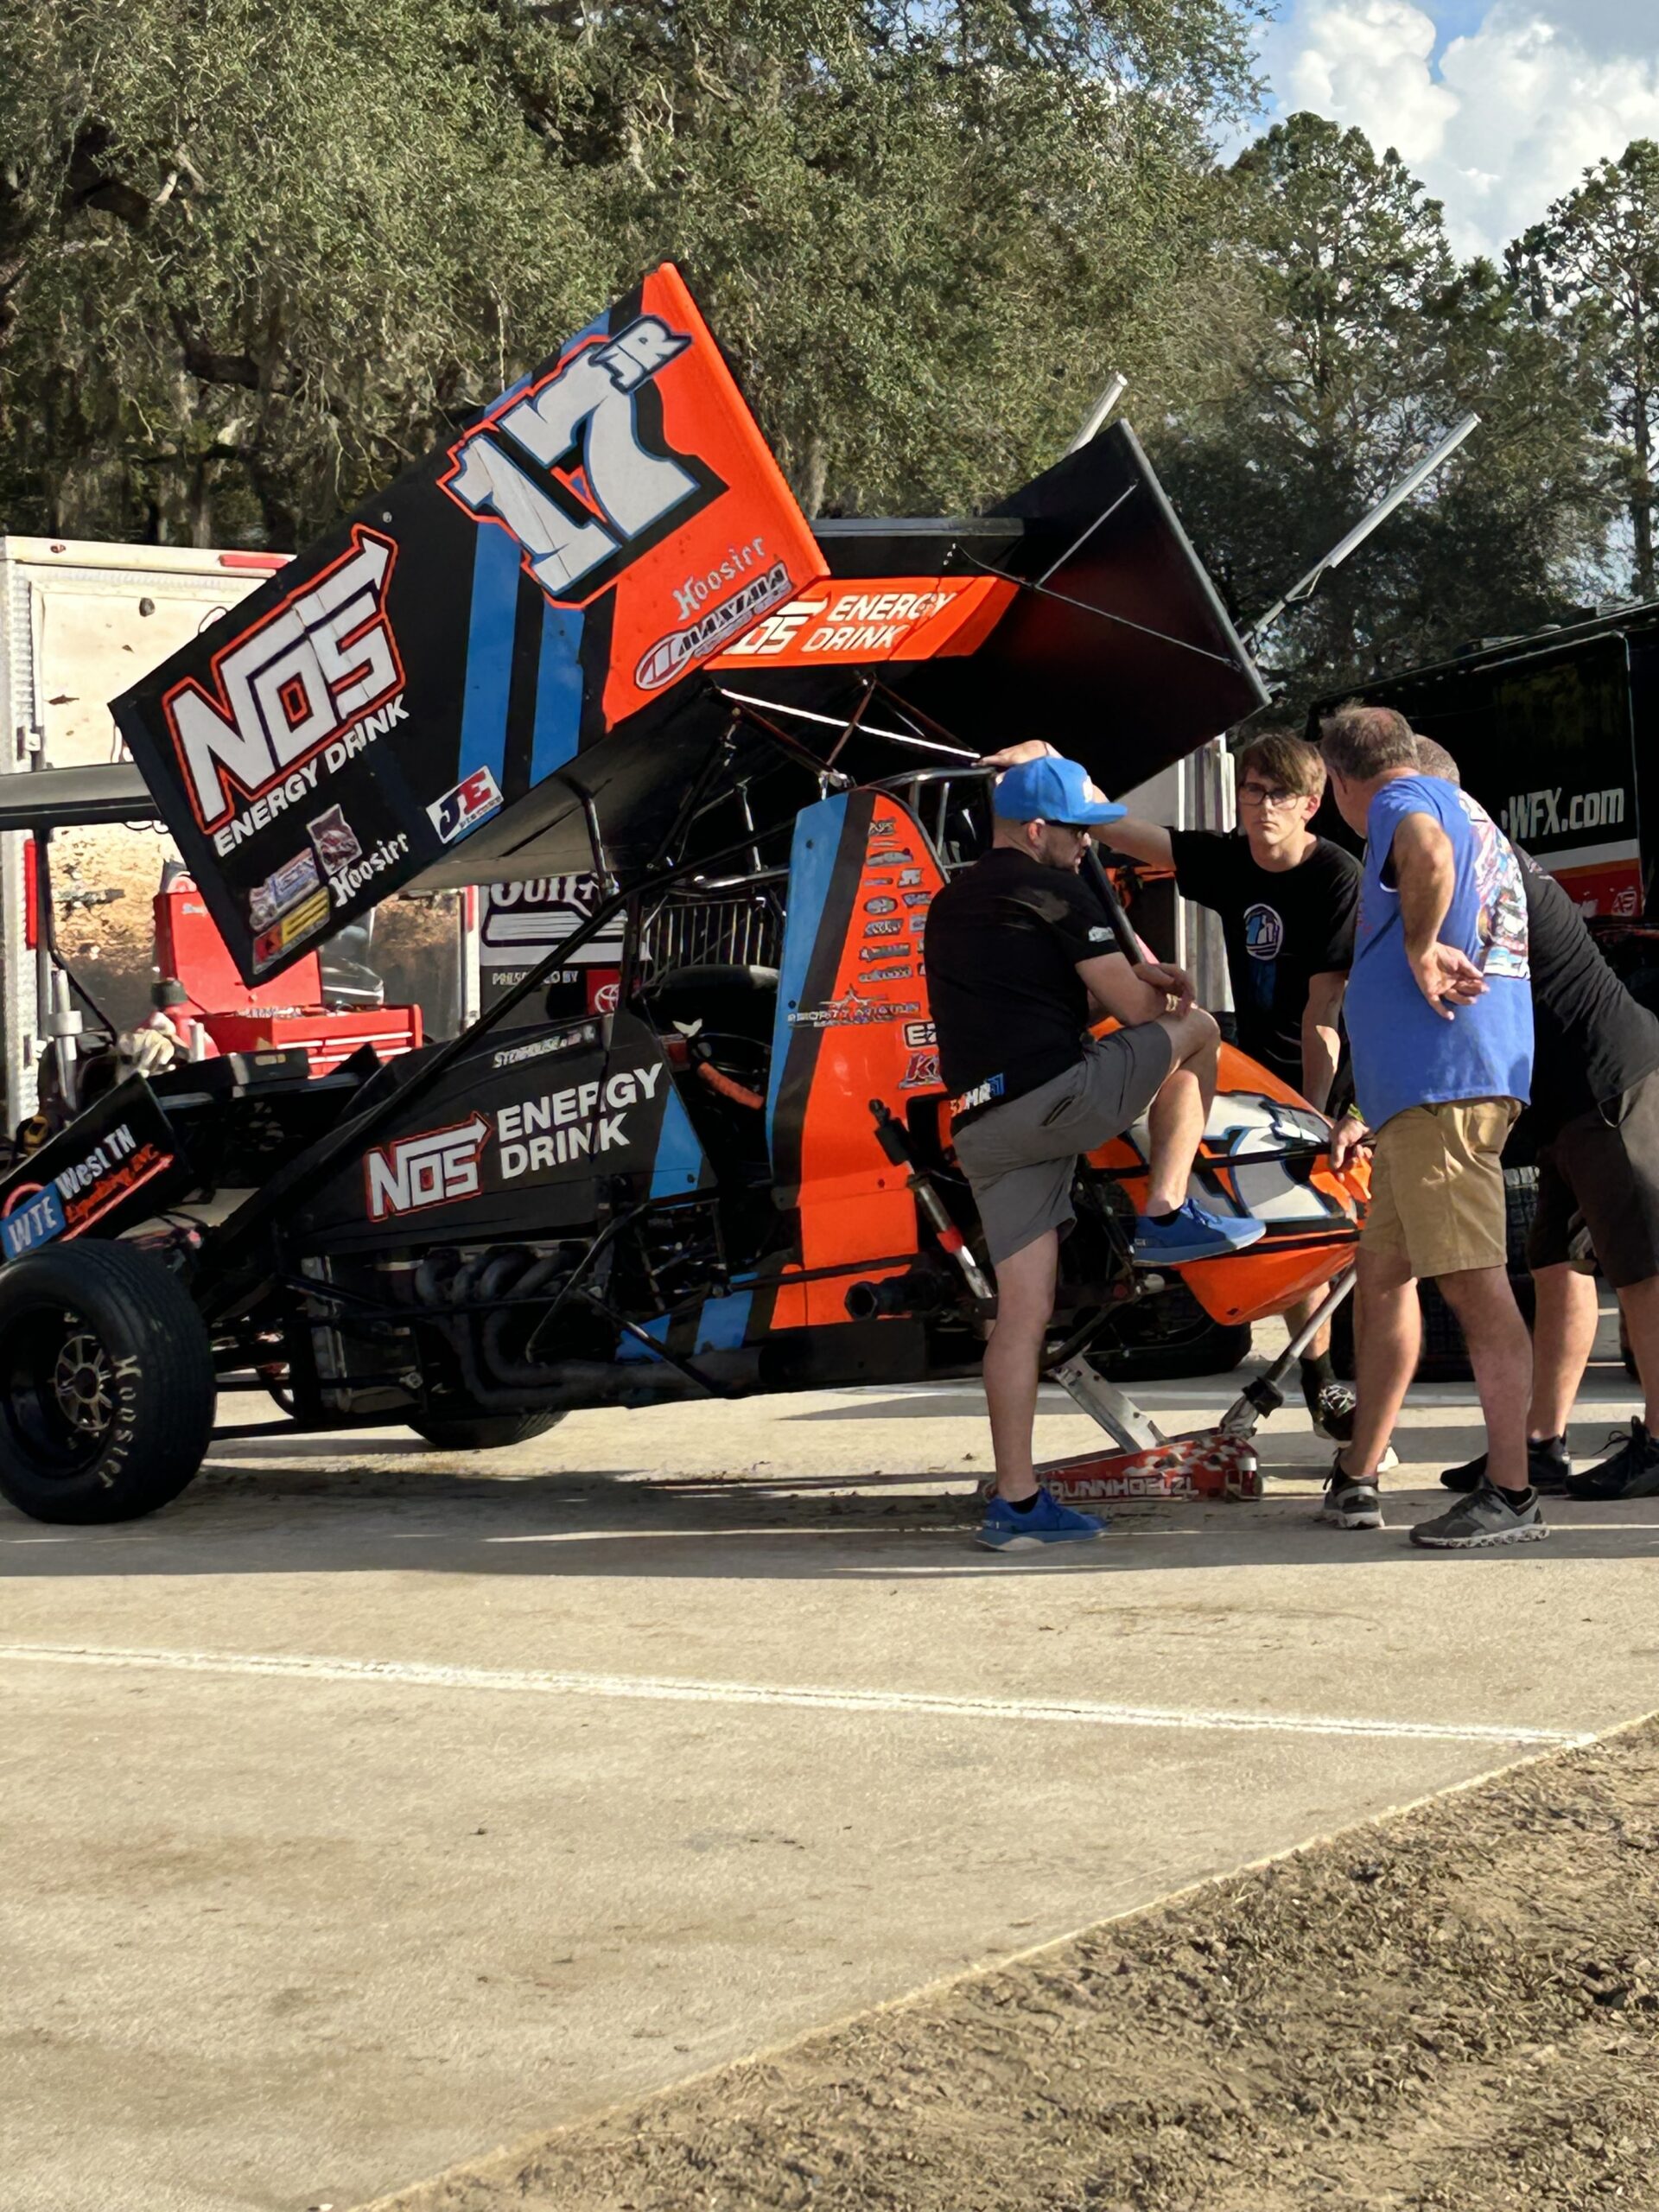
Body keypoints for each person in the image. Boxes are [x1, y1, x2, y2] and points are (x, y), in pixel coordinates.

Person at [924, 753, 1265, 1553]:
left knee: (1021, 1315)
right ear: (1036, 829)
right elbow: (1137, 1007)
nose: (1087, 846)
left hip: (980, 1126)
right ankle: (1168, 1210)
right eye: (1077, 832)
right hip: (1053, 1101)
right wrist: (1168, 986)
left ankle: (1016, 1504)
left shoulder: (949, 901)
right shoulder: (1057, 887)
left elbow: (1029, 993)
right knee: (1200, 1033)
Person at [988, 731, 1360, 1440]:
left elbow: (1327, 1011)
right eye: (1250, 791)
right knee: (1275, 1228)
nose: (1261, 807)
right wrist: (1054, 761)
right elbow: (1117, 825)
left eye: (1278, 794)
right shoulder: (1227, 859)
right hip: (1248, 1058)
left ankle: (1323, 1383)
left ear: (1311, 804)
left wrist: (1316, 1111)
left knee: (1316, 1227)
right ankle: (1303, 1371)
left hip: (1329, 1066)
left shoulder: (1334, 874)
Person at [1413, 737, 1659, 1501]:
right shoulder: (1471, 858)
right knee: (1556, 1263)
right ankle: (1541, 1441)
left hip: (1605, 1080)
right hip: (1560, 1100)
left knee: (1643, 1271)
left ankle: (1658, 1442)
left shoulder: (1472, 867)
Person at [1320, 704, 1540, 1548]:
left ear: (1342, 780)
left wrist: (1417, 945)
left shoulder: (1401, 804)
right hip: (1432, 1089)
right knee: (1383, 1271)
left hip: (1441, 1088)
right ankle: (1359, 1469)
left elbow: (1428, 854)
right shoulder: (1455, 796)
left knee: (1473, 1283)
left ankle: (1513, 1493)